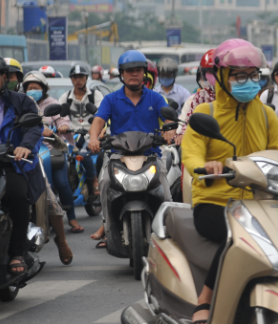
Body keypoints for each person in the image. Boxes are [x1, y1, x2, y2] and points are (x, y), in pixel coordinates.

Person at [182, 38, 278, 324]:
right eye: (239, 76)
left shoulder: (265, 114)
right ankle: (205, 300)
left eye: (253, 75)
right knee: (236, 237)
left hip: (260, 203)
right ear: (222, 77)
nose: (248, 82)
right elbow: (191, 153)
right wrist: (205, 166)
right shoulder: (205, 114)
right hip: (214, 201)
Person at [87, 51, 175, 247]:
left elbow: (169, 119)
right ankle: (108, 228)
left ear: (144, 73)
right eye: (129, 71)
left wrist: (170, 131)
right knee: (104, 182)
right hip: (118, 156)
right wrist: (93, 138)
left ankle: (168, 232)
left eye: (138, 70)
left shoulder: (156, 98)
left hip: (150, 155)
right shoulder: (111, 99)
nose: (134, 74)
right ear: (121, 74)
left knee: (165, 191)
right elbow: (99, 120)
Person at [0, 54, 46, 274]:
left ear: (4, 77)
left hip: (10, 165)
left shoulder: (21, 101)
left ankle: (16, 253)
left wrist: (24, 146)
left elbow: (34, 127)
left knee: (17, 197)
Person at [22, 71, 82, 235]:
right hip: (29, 150)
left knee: (61, 182)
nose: (32, 91)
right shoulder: (22, 104)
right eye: (29, 88)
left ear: (43, 88)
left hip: (51, 149)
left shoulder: (53, 104)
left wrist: (62, 126)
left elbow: (62, 119)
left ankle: (72, 217)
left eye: (36, 87)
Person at [59, 64, 105, 209]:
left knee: (84, 154)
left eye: (81, 77)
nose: (78, 80)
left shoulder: (95, 95)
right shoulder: (65, 97)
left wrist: (96, 131)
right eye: (75, 77)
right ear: (71, 79)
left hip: (90, 135)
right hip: (70, 137)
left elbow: (101, 115)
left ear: (86, 78)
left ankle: (94, 179)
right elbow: (58, 117)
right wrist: (62, 125)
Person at [176, 49, 216, 146]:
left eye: (217, 71)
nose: (215, 75)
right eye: (210, 72)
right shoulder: (201, 96)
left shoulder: (236, 96)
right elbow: (188, 122)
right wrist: (182, 135)